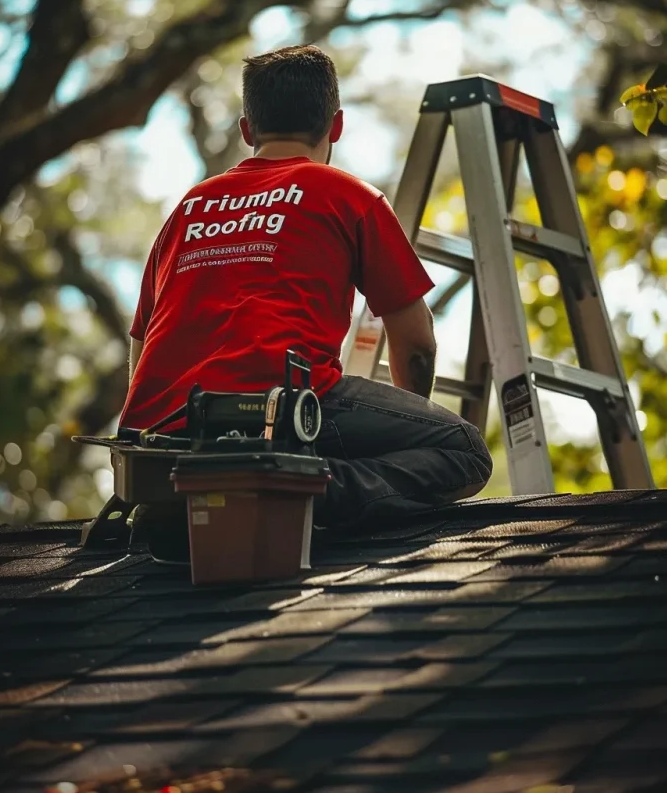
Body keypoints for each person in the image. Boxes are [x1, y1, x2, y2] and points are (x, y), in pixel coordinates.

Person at [121, 44, 492, 540]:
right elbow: (417, 345)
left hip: (157, 441)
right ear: (336, 126)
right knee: (464, 450)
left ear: (247, 129)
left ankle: (187, 496)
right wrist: (381, 445)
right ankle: (299, 489)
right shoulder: (347, 196)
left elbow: (143, 343)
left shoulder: (188, 209)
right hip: (279, 412)